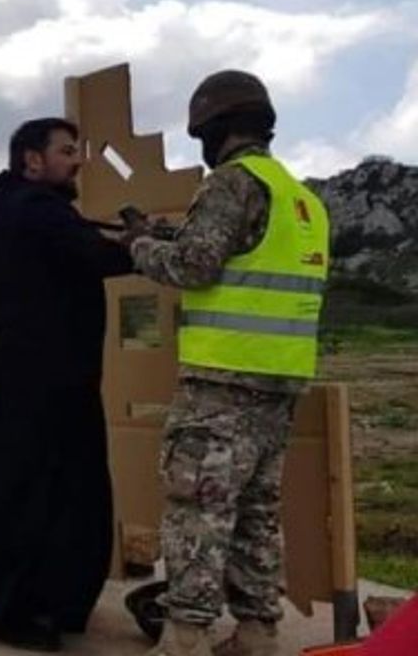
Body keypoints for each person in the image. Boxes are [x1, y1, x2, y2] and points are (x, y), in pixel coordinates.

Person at [130, 71, 329, 656]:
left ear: (214, 129)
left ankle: (186, 638)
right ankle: (255, 633)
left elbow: (195, 267)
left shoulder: (230, 184)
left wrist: (139, 246)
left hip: (220, 386)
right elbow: (240, 255)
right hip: (278, 385)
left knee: (196, 508)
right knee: (254, 515)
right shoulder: (302, 200)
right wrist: (172, 233)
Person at [0, 118, 135, 652]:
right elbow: (95, 256)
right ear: (31, 161)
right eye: (67, 151)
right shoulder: (36, 211)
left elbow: (78, 250)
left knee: (38, 492)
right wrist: (143, 244)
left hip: (41, 377)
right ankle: (10, 610)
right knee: (37, 497)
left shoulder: (25, 210)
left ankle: (42, 601)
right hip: (44, 382)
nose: (77, 161)